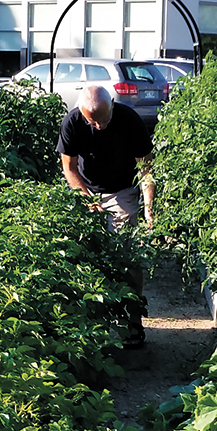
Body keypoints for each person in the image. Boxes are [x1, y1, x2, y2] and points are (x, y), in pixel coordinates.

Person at [56, 85, 154, 349]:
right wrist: (87, 200)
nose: (99, 126)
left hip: (122, 189)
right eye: (93, 122)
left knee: (126, 255)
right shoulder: (73, 122)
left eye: (104, 120)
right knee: (86, 256)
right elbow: (69, 167)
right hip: (86, 189)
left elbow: (146, 168)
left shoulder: (129, 119)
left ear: (112, 104)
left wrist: (149, 207)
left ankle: (134, 322)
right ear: (82, 114)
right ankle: (93, 327)